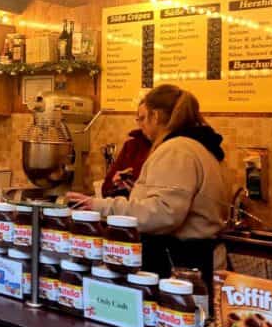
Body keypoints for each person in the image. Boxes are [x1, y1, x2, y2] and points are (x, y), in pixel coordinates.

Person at [70, 84, 229, 287]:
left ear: (155, 116)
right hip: (198, 262)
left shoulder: (177, 149)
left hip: (182, 267)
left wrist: (98, 206)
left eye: (143, 118)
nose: (140, 125)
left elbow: (162, 214)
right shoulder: (202, 146)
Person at [100, 100, 151, 198]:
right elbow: (105, 189)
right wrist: (115, 185)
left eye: (144, 118)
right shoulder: (131, 146)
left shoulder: (171, 147)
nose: (142, 124)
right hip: (127, 209)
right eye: (139, 119)